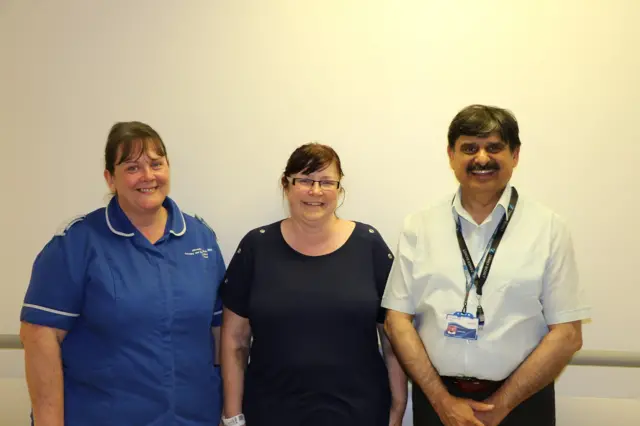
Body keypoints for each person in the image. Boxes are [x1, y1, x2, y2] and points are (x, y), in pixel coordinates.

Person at [381, 105, 591, 426]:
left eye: (494, 147)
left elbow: (567, 334)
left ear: (515, 155)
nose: (481, 158)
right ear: (451, 155)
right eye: (469, 148)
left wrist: (500, 407)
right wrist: (443, 402)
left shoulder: (548, 228)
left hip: (522, 404)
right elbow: (397, 321)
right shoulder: (418, 227)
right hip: (439, 404)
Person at [19, 121, 225, 426]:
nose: (148, 176)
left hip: (195, 418)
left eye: (156, 164)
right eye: (132, 167)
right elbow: (39, 337)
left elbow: (219, 331)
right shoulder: (76, 244)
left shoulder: (200, 239)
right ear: (110, 178)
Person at [219, 143, 407, 426]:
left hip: (359, 413)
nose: (316, 191)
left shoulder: (369, 245)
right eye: (305, 180)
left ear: (339, 189)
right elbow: (234, 341)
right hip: (271, 413)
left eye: (327, 182)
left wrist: (399, 405)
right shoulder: (256, 247)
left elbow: (393, 338)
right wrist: (232, 416)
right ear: (286, 185)